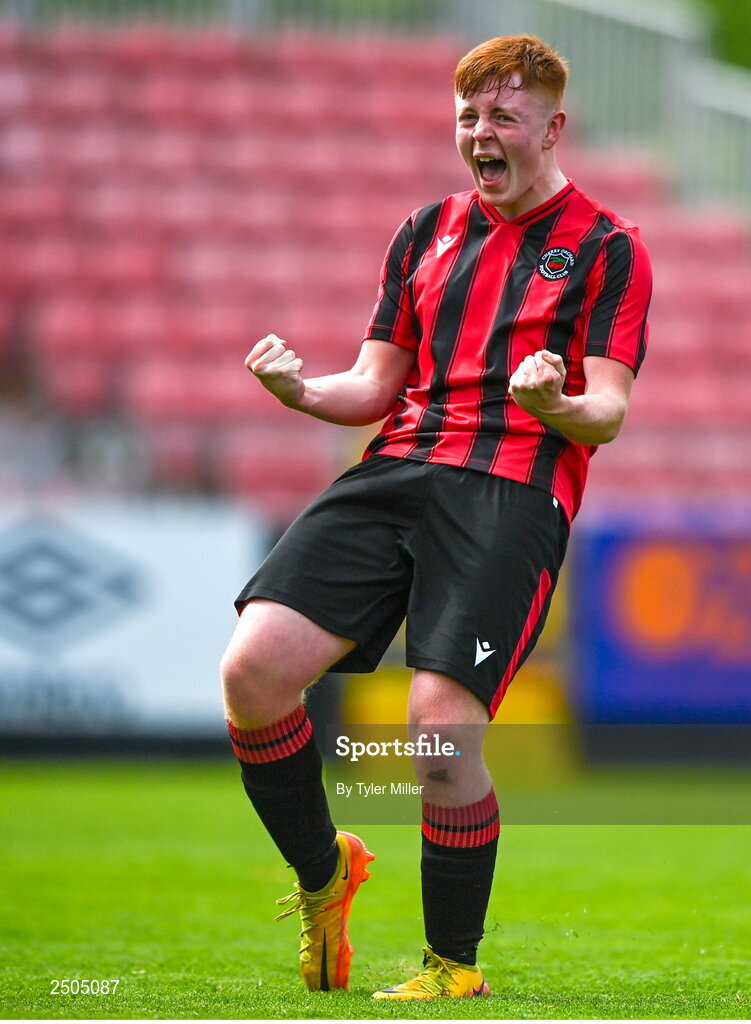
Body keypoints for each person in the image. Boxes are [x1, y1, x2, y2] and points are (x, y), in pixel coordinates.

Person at [220, 34, 651, 1001]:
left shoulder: (609, 249)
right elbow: (374, 384)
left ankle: (453, 968)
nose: (479, 134)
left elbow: (609, 410)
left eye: (501, 117)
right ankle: (325, 876)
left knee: (437, 731)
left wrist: (555, 405)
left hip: (510, 487)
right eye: (467, 117)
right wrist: (301, 390)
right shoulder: (424, 230)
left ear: (552, 126)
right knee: (252, 672)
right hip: (401, 466)